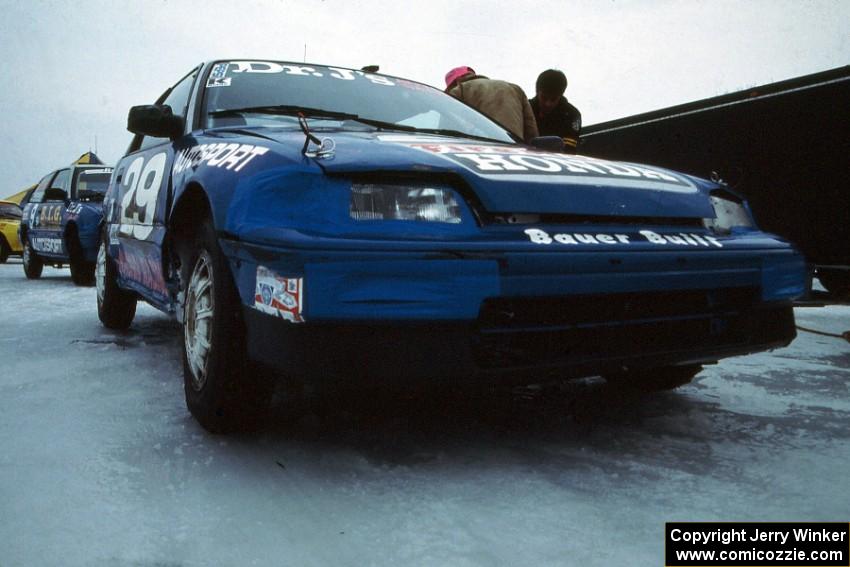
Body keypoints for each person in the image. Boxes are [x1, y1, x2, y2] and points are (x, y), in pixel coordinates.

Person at [445, 66, 538, 142]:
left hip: (481, 152)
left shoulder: (459, 90)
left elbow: (446, 132)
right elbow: (531, 132)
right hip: (515, 152)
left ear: (456, 81)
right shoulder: (514, 88)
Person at [529, 69, 582, 153]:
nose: (548, 104)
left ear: (561, 95)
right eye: (544, 98)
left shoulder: (572, 115)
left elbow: (568, 150)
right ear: (537, 92)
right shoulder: (525, 109)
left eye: (553, 99)